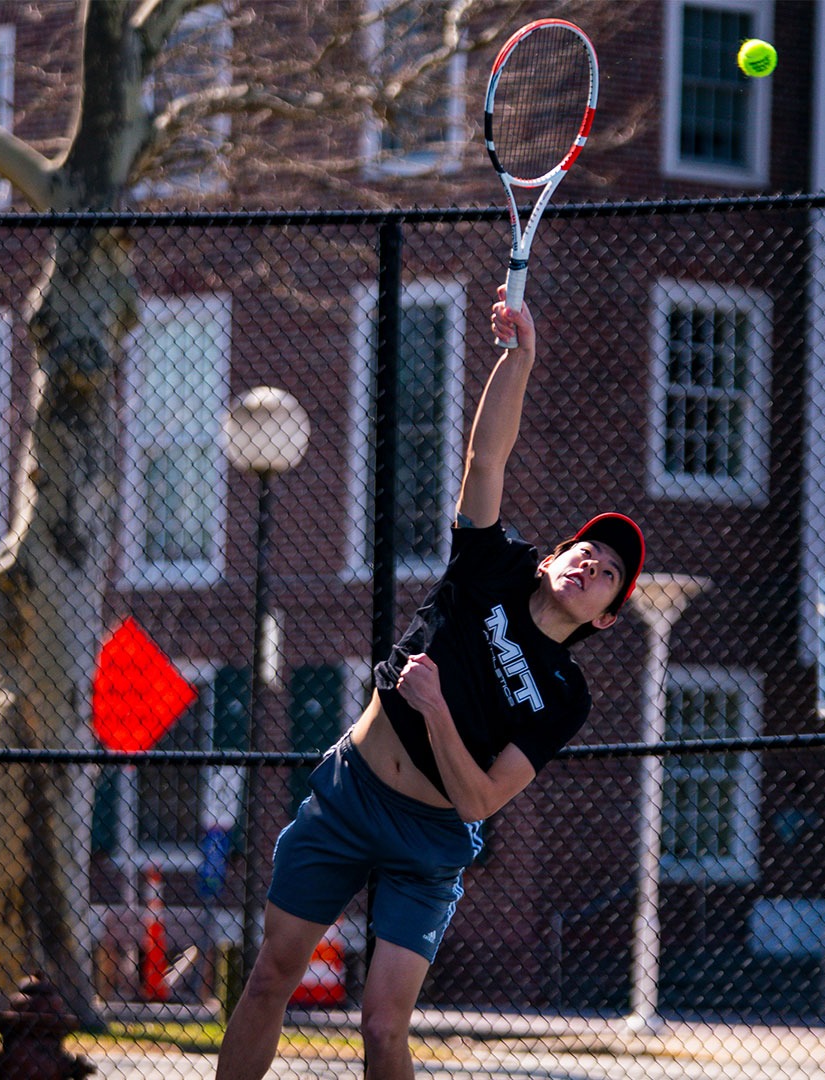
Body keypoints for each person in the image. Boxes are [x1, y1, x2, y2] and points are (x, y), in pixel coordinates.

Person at [214, 286, 644, 1080]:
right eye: (584, 551)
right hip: (349, 796)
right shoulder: (492, 564)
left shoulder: (565, 696)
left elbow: (481, 802)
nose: (592, 565)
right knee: (271, 975)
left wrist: (437, 710)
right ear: (550, 557)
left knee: (382, 1026)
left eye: (610, 572)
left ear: (609, 615)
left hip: (432, 841)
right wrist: (524, 354)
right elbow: (488, 455)